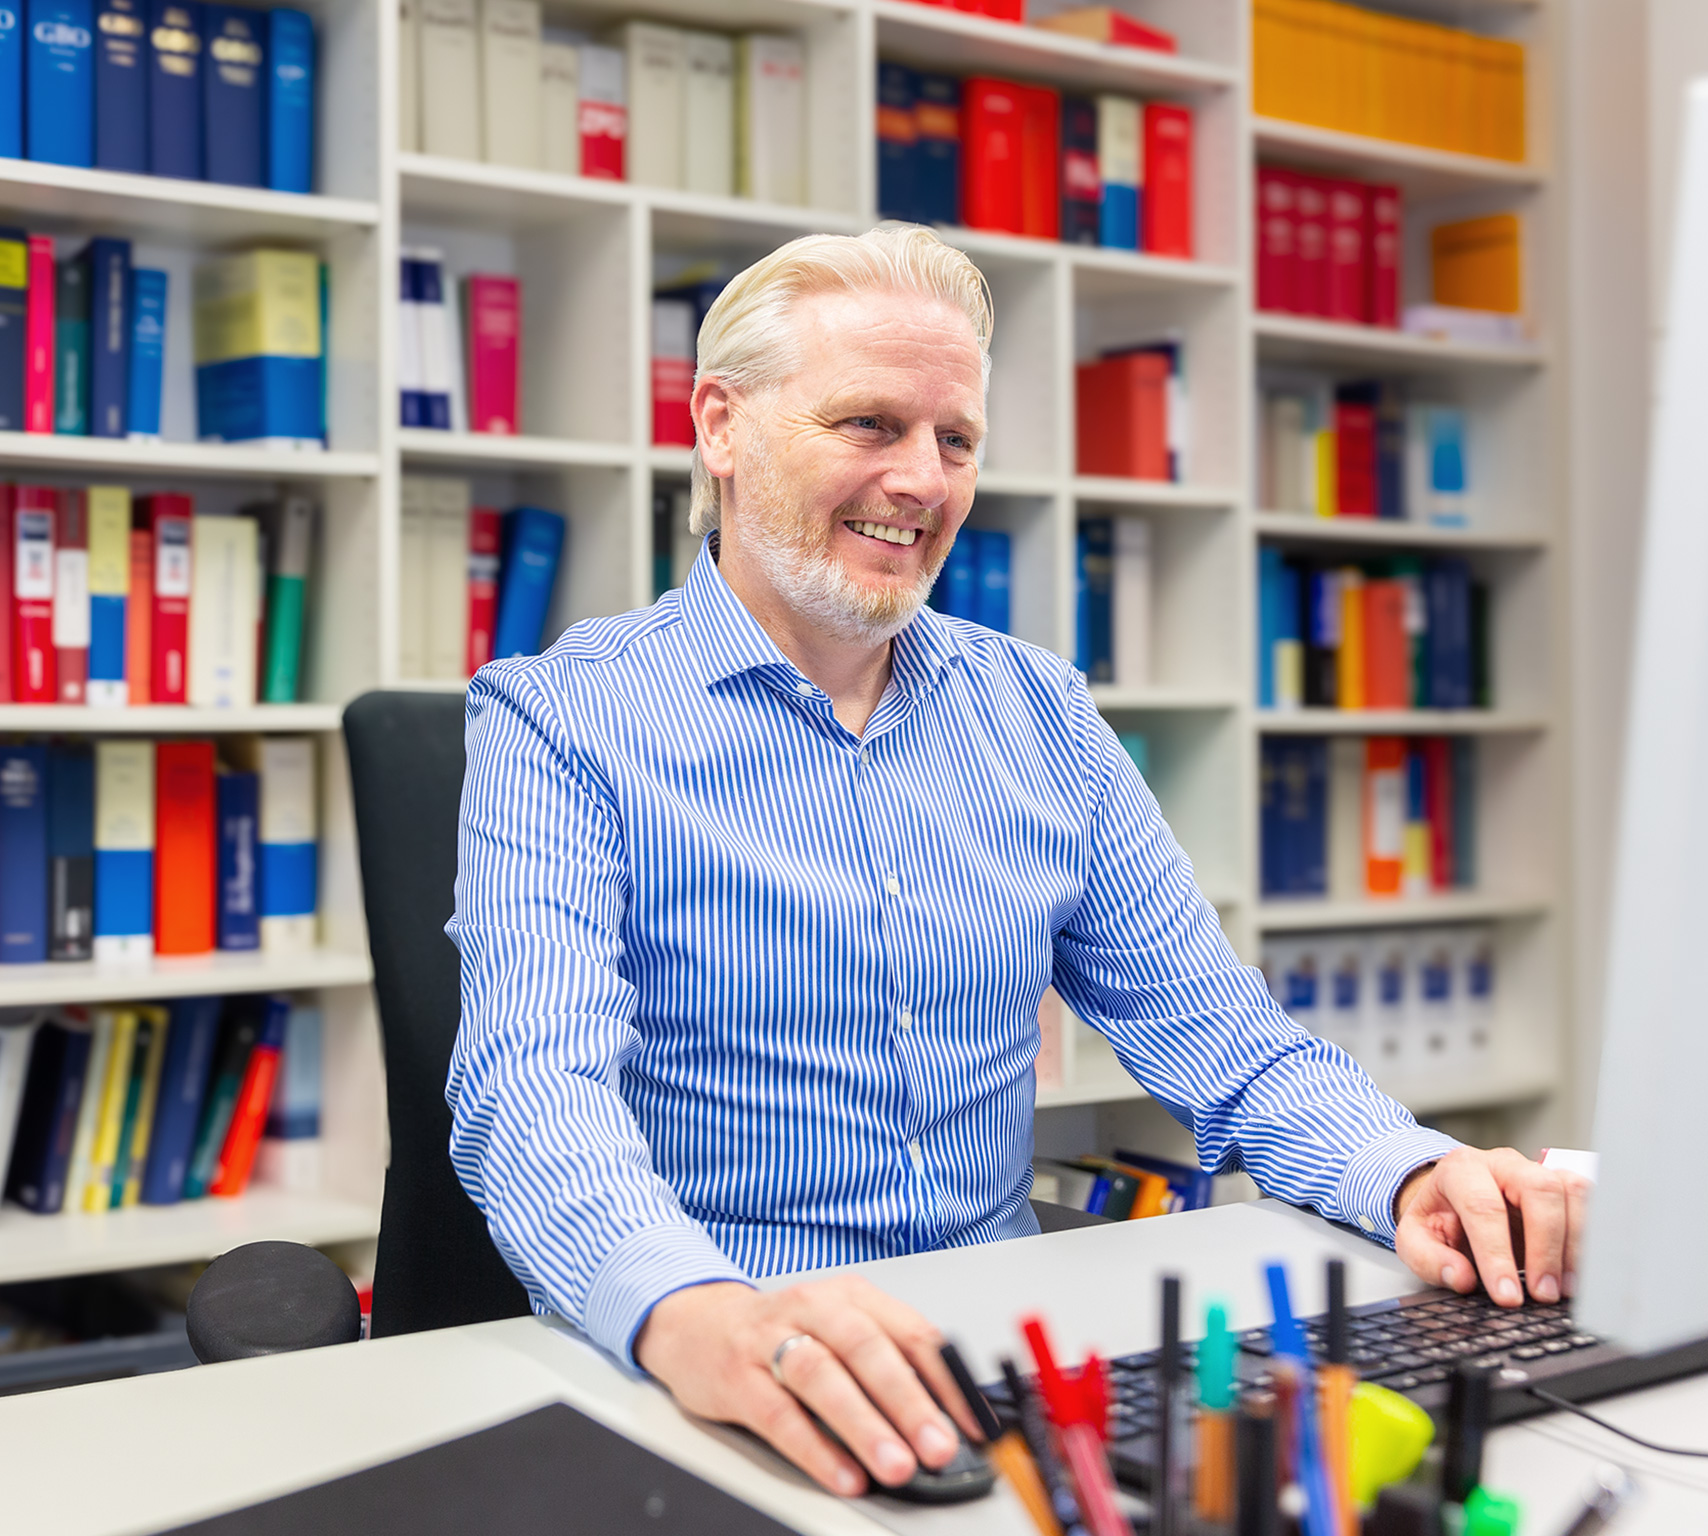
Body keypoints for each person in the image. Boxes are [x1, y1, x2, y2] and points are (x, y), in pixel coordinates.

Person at [445, 225, 1588, 1500]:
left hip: (999, 1365)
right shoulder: (557, 718)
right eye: (869, 425)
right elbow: (531, 1096)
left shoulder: (1041, 716)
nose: (921, 482)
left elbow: (1230, 1045)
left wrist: (1413, 1171)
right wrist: (691, 1313)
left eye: (957, 441)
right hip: (722, 1356)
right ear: (720, 424)